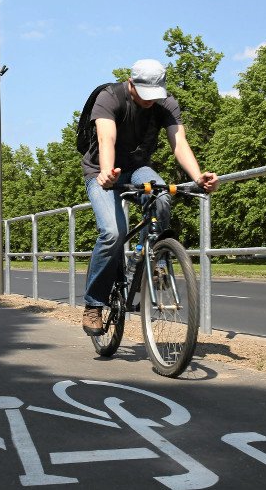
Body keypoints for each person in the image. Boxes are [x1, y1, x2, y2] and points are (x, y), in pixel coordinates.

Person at [81, 59, 219, 335]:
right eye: (144, 95)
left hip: (137, 169)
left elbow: (179, 143)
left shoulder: (166, 104)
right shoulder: (110, 97)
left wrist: (197, 177)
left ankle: (153, 261)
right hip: (101, 171)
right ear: (131, 83)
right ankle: (93, 304)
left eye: (154, 96)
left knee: (162, 195)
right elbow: (106, 138)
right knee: (112, 232)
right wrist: (107, 172)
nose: (149, 101)